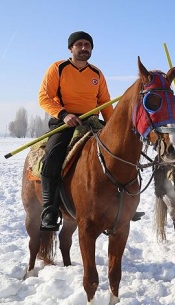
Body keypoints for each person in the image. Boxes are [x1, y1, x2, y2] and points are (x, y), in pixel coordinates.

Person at [38, 31, 115, 231]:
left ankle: (119, 205)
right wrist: (64, 114)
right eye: (79, 44)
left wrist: (112, 125)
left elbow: (105, 103)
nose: (83, 48)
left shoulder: (97, 73)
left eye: (87, 45)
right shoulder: (58, 68)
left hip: (91, 122)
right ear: (70, 48)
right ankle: (50, 209)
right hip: (65, 122)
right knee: (53, 156)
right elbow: (44, 97)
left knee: (116, 153)